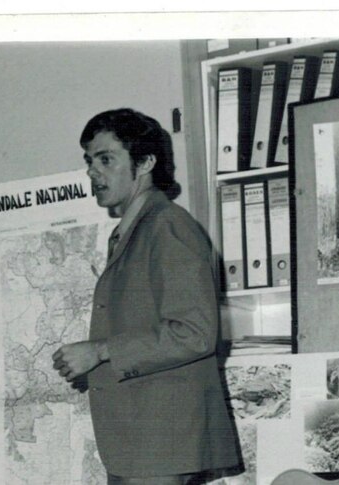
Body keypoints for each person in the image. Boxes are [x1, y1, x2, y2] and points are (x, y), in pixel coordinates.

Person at [52, 108, 241, 484]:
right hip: (141, 441)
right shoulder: (135, 229)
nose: (93, 171)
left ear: (146, 162)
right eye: (90, 160)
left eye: (106, 159)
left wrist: (101, 351)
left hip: (161, 441)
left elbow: (195, 332)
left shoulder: (167, 225)